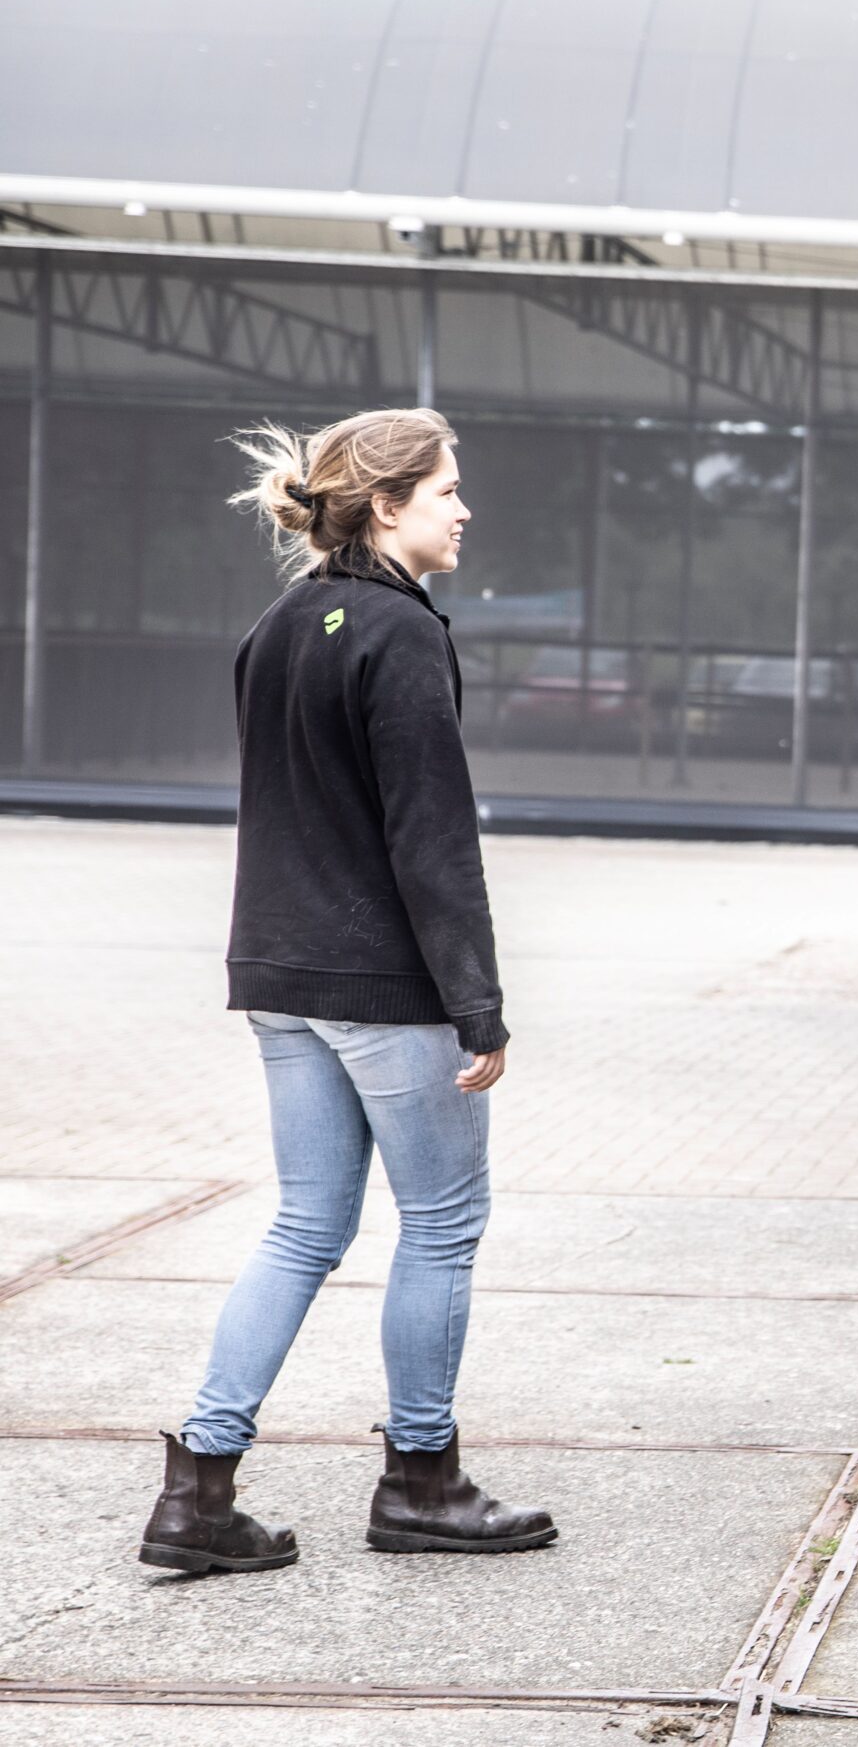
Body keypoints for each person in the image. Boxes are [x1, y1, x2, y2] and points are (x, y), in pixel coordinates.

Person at [138, 408, 555, 1574]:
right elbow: (433, 838)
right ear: (385, 504)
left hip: (281, 976)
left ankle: (198, 1492)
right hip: (385, 987)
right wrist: (478, 1004)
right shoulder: (401, 633)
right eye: (446, 490)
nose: (464, 509)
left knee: (305, 1227)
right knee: (443, 1223)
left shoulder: (278, 626)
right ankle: (423, 1481)